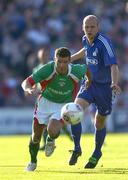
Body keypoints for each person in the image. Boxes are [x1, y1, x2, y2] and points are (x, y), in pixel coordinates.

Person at [21, 47, 91, 171]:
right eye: (59, 61)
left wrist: (89, 80)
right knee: (35, 137)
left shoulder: (75, 70)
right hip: (44, 104)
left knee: (52, 129)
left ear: (70, 60)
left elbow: (87, 69)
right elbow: (26, 81)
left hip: (63, 106)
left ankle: (50, 139)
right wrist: (28, 89)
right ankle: (33, 161)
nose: (62, 65)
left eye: (65, 62)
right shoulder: (47, 69)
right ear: (55, 60)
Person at [68, 15, 121, 168]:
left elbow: (114, 65)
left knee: (99, 122)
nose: (89, 30)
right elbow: (84, 51)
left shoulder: (104, 43)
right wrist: (67, 59)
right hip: (89, 83)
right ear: (83, 28)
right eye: (86, 27)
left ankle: (97, 152)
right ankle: (77, 148)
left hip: (105, 88)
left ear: (98, 27)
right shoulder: (85, 39)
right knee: (74, 111)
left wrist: (114, 83)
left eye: (92, 27)